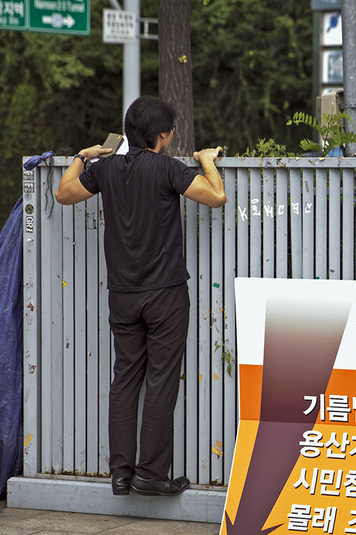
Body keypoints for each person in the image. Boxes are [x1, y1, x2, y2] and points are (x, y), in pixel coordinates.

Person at [54, 96, 227, 497]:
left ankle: (120, 475)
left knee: (125, 380)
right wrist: (206, 159)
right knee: (161, 381)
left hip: (122, 295)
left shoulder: (106, 169)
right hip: (165, 293)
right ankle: (150, 473)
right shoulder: (168, 168)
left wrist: (83, 156)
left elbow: (63, 194)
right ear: (163, 135)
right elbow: (216, 197)